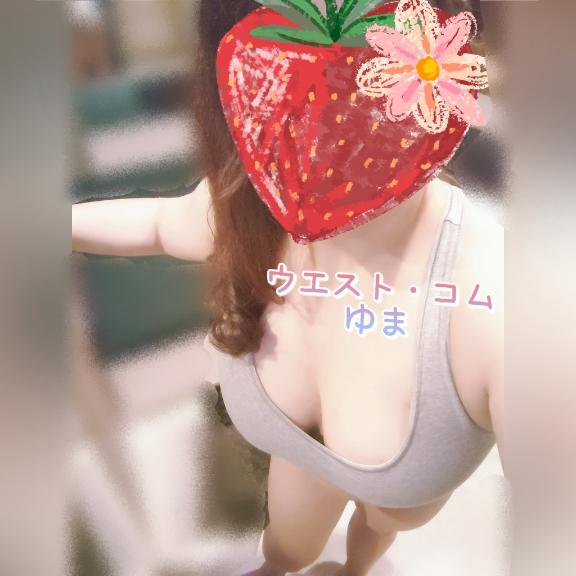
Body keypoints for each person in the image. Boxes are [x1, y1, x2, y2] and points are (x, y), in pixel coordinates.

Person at [72, 1, 504, 575]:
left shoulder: (497, 305)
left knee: (377, 525)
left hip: (399, 493)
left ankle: (359, 562)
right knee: (285, 550)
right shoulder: (253, 206)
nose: (326, 116)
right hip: (300, 465)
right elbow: (158, 223)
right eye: (285, 70)